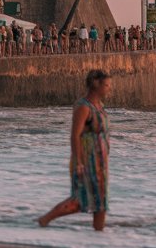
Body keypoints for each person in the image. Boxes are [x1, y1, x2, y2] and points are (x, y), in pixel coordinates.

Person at [37, 68, 111, 232]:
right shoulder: (84, 107)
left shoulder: (99, 106)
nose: (109, 88)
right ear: (96, 85)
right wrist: (79, 162)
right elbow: (75, 136)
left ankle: (99, 235)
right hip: (86, 160)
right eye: (106, 85)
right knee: (80, 200)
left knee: (100, 201)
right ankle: (45, 219)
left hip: (100, 162)